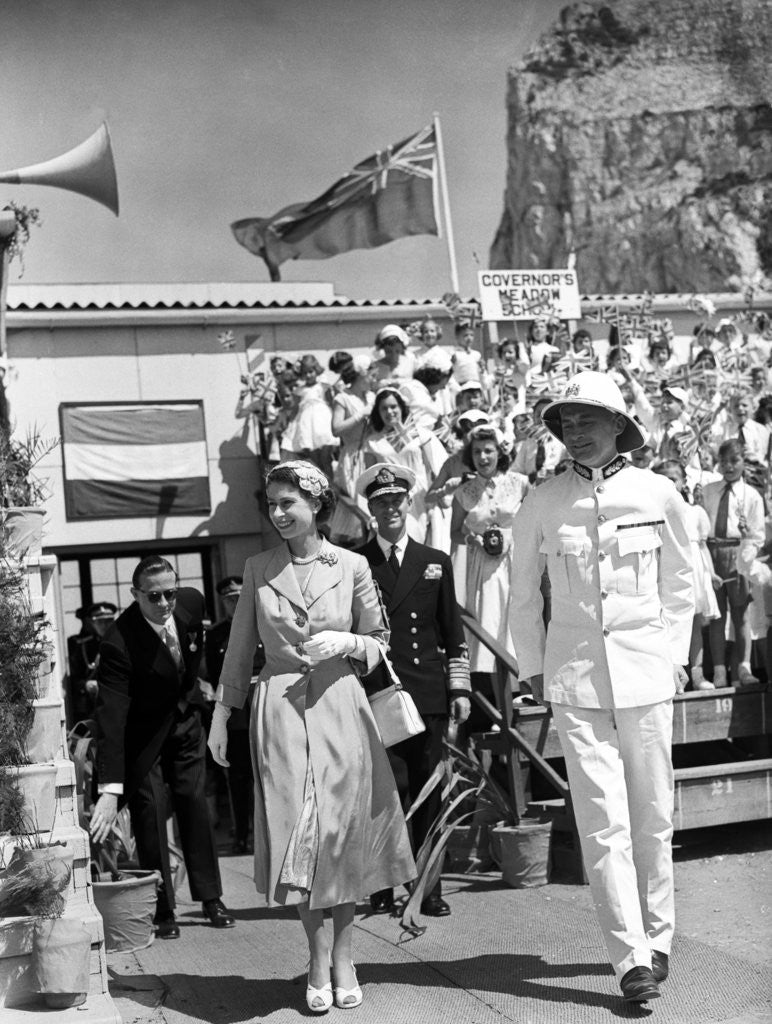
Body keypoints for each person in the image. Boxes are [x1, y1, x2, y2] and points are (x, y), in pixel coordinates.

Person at [509, 371, 693, 1005]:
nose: (577, 432)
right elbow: (522, 593)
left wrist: (673, 656)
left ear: (620, 425)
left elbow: (681, 585)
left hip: (646, 672)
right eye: (567, 421)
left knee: (654, 815)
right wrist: (534, 667)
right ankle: (629, 958)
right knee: (602, 821)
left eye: (590, 419)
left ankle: (660, 935)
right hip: (576, 679)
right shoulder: (542, 500)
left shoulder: (658, 493)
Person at [207, 461, 414, 1013]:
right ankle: (317, 955)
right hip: (277, 708)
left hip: (340, 706)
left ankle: (342, 958)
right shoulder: (257, 567)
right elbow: (238, 647)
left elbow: (379, 641)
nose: (278, 514)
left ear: (317, 506)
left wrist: (348, 642)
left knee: (340, 835)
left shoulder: (351, 565)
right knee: (299, 837)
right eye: (271, 505)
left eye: (287, 504)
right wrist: (221, 714)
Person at [90, 556, 234, 939]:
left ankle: (210, 898)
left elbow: (190, 659)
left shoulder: (191, 602)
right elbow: (111, 717)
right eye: (153, 596)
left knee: (194, 803)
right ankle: (162, 908)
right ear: (134, 595)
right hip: (142, 736)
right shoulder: (118, 643)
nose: (164, 603)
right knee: (151, 813)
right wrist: (110, 788)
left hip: (185, 722)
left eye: (169, 592)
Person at [355, 463, 470, 918]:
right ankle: (382, 883)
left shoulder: (435, 562)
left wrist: (458, 688)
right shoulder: (358, 562)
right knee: (385, 793)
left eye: (396, 500)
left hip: (427, 692)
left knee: (430, 791)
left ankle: (429, 885)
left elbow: (452, 629)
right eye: (380, 502)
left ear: (409, 503)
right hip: (381, 691)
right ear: (370, 509)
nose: (390, 509)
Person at [451, 424, 529, 727]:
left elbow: (535, 519)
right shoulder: (465, 492)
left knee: (518, 622)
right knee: (490, 625)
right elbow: (456, 533)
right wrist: (475, 539)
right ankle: (497, 705)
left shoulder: (519, 483)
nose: (483, 457)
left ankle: (524, 695)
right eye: (477, 452)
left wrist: (514, 536)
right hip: (483, 567)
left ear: (500, 452)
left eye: (489, 450)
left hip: (516, 560)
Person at [204, 575, 264, 854]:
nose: (235, 602)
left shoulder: (265, 623)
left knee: (270, 774)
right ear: (223, 603)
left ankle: (270, 833)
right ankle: (241, 835)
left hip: (266, 710)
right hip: (237, 715)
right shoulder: (215, 635)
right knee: (238, 778)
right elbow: (212, 674)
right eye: (230, 599)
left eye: (240, 597)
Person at [703, 439, 766, 686]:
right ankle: (719, 671)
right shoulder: (708, 490)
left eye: (734, 461)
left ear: (743, 462)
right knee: (717, 616)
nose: (728, 466)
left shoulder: (751, 495)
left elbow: (757, 533)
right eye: (723, 461)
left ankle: (744, 668)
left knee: (741, 614)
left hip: (739, 553)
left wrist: (746, 558)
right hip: (713, 553)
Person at [653, 461, 719, 690]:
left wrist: (711, 573)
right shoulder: (651, 511)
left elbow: (702, 546)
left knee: (694, 623)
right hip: (662, 571)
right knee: (663, 623)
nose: (670, 483)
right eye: (664, 478)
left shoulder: (695, 511)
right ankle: (669, 677)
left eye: (674, 478)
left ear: (683, 481)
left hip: (694, 571)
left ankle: (697, 674)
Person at [363, 386, 447, 544]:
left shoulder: (419, 434)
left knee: (426, 543)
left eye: (393, 406)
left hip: (421, 495)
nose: (389, 412)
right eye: (384, 408)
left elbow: (432, 470)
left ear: (401, 407)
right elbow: (370, 480)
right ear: (378, 412)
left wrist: (435, 498)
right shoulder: (372, 442)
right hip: (392, 498)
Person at [327, 351, 374, 548]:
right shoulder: (343, 398)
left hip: (371, 454)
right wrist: (360, 415)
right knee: (357, 506)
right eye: (370, 374)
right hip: (352, 456)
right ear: (360, 375)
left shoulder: (371, 396)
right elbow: (336, 429)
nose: (373, 379)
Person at [66, 601, 117, 727]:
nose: (105, 625)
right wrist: (86, 685)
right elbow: (73, 677)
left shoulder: (122, 643)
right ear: (92, 623)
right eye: (100, 622)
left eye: (109, 621)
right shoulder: (82, 646)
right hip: (91, 703)